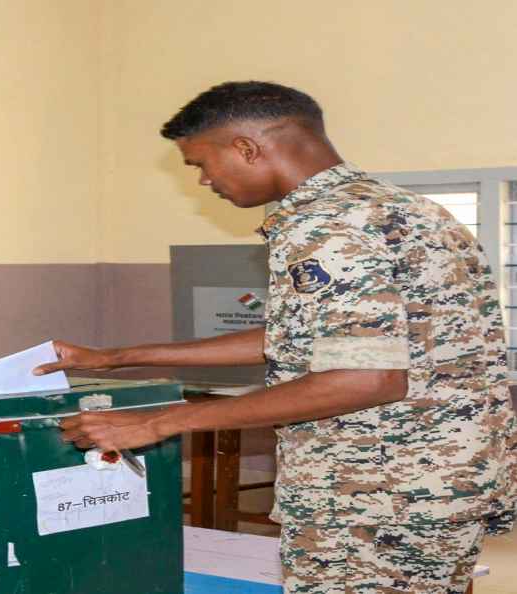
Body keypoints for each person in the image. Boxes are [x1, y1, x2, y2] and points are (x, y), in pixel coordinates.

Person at [35, 81, 517, 593]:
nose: (204, 181)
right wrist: (118, 357)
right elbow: (319, 336)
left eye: (201, 163)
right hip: (440, 483)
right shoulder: (407, 210)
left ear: (246, 148)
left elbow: (364, 378)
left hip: (373, 498)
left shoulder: (327, 227)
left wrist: (158, 422)